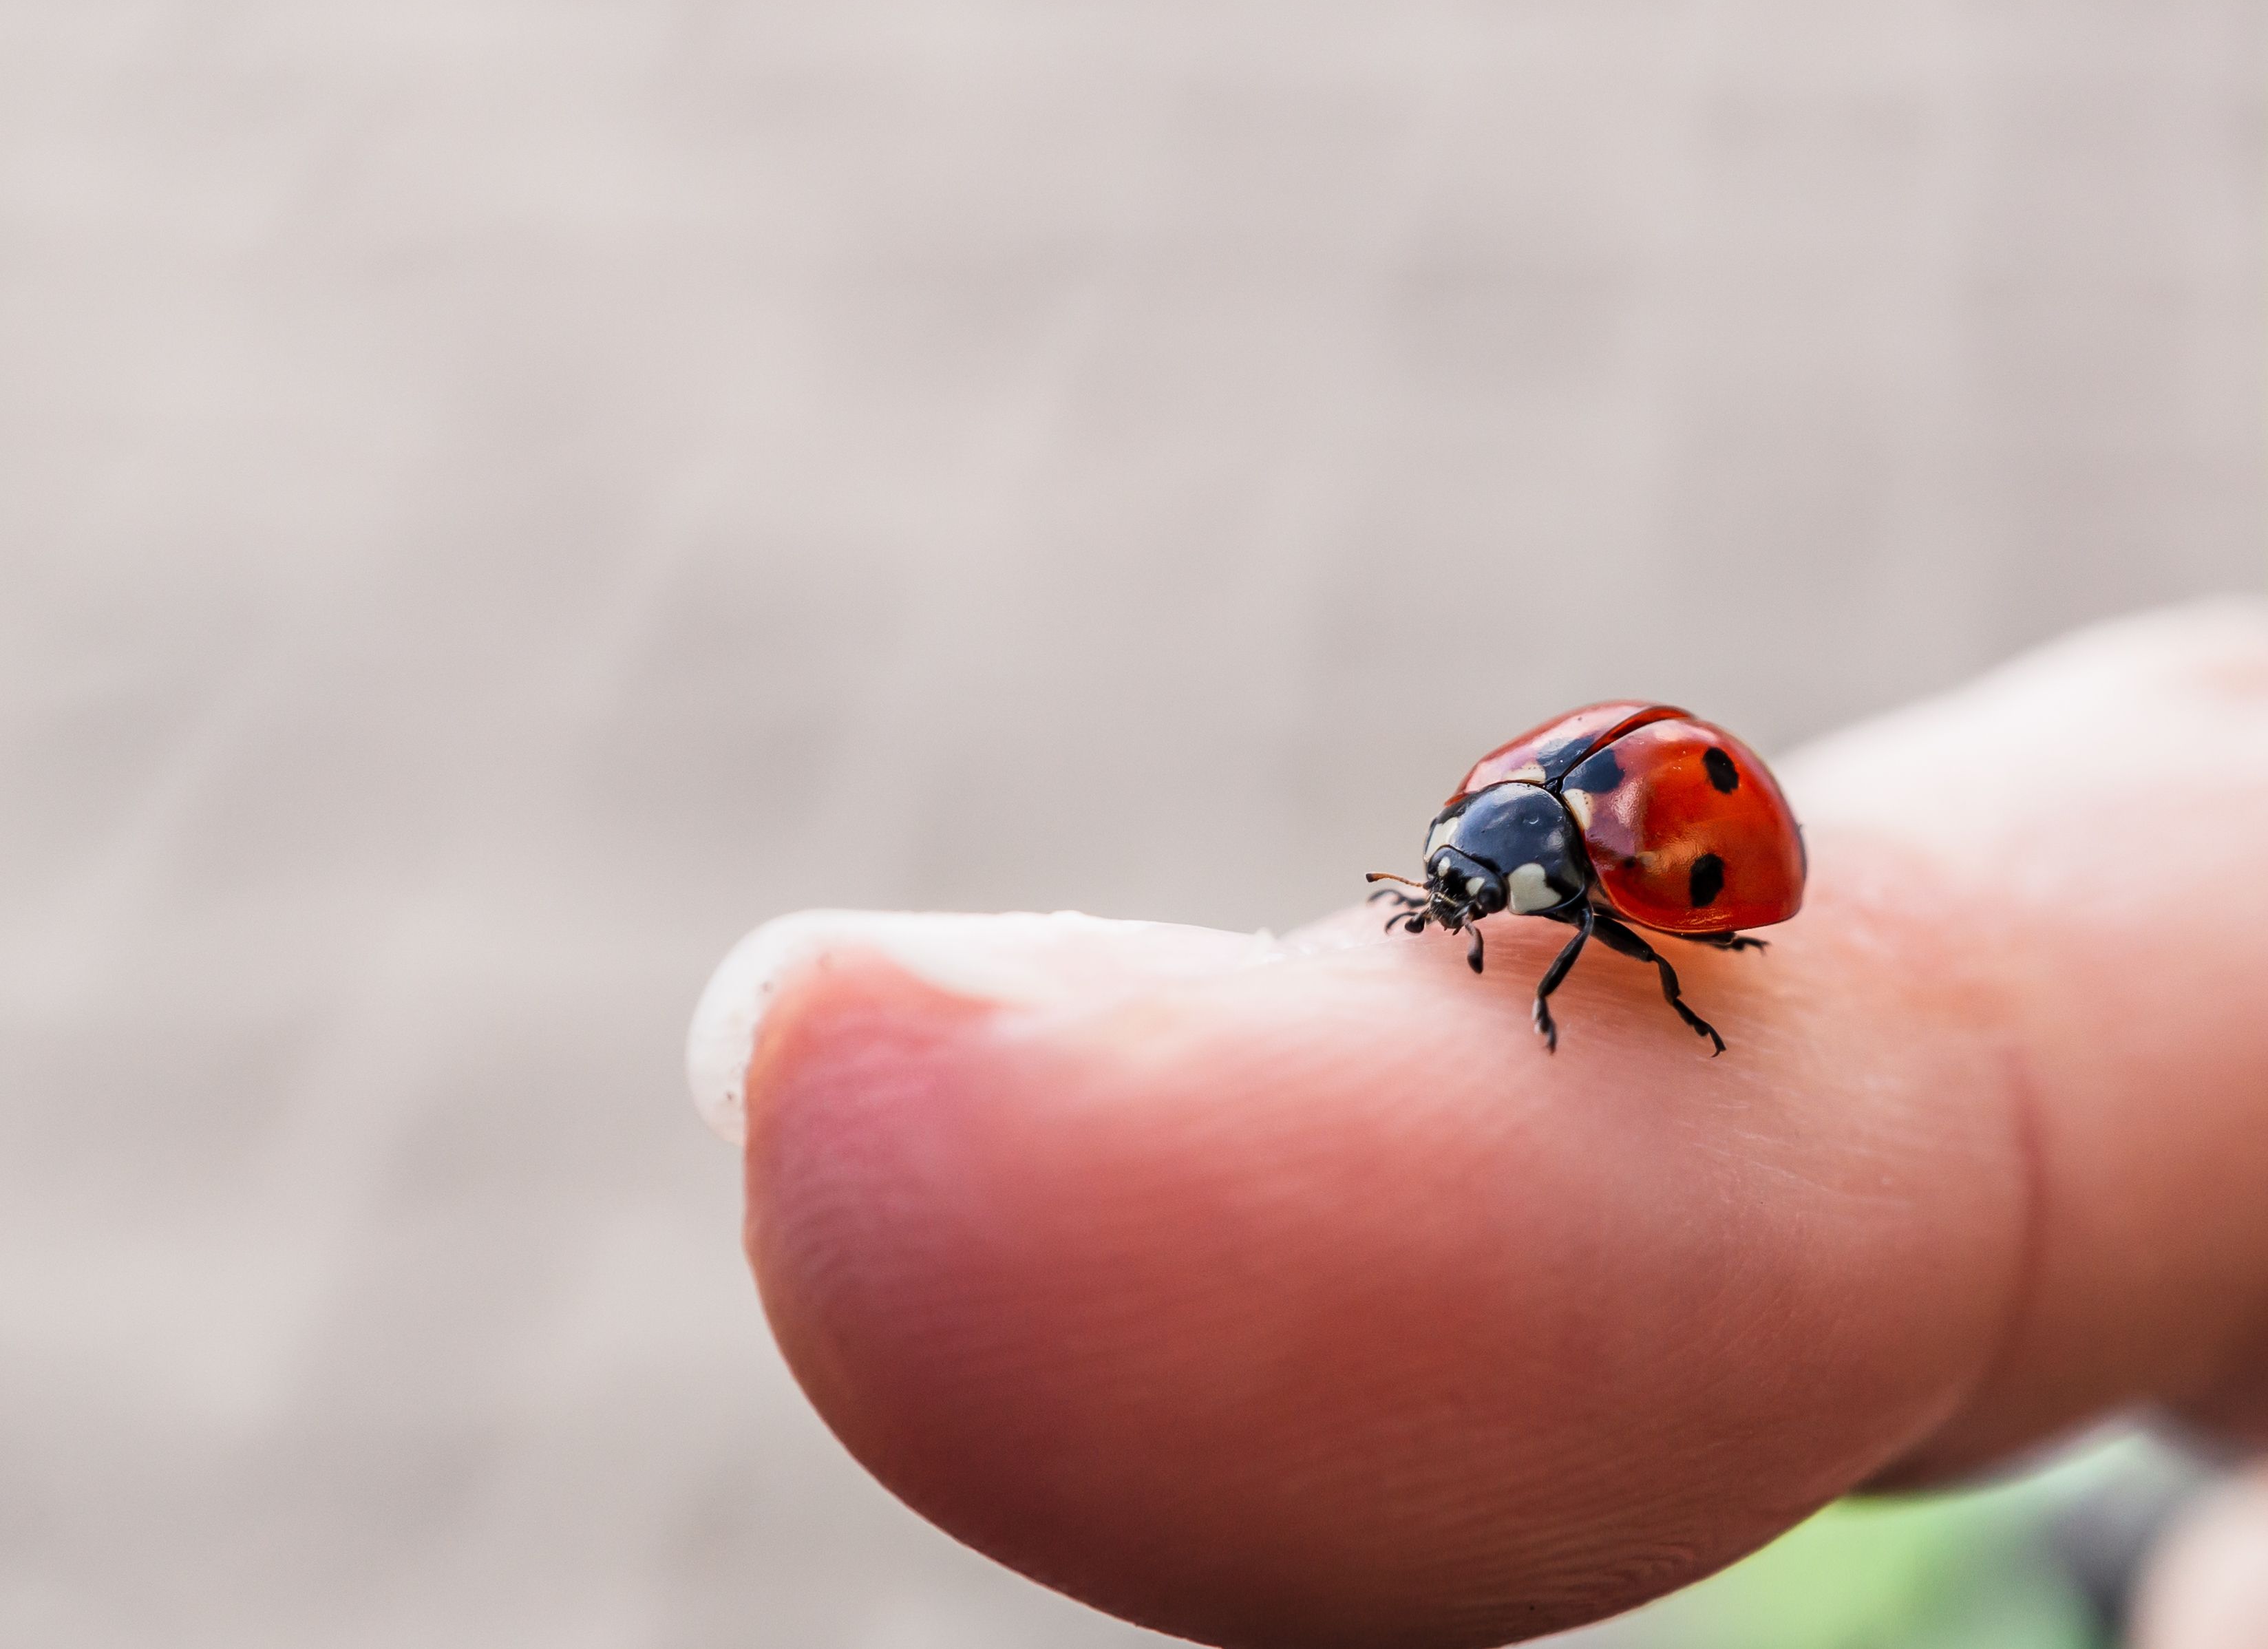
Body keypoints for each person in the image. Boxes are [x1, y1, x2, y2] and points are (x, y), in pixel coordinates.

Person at [689, 601, 2268, 1648]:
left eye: (1473, 894)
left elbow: (1605, 922)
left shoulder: (1594, 885)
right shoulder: (1504, 844)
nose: (1460, 910)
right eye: (1454, 890)